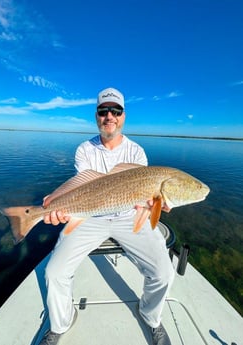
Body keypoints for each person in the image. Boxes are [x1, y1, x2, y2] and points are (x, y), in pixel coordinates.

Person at [39, 87, 175, 345]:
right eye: (104, 111)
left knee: (164, 273)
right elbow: (83, 187)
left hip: (129, 215)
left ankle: (150, 316)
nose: (109, 116)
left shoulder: (136, 152)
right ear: (96, 116)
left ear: (123, 116)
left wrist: (155, 204)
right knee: (54, 272)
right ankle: (61, 323)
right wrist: (57, 205)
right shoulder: (84, 149)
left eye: (116, 110)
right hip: (90, 216)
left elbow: (144, 199)